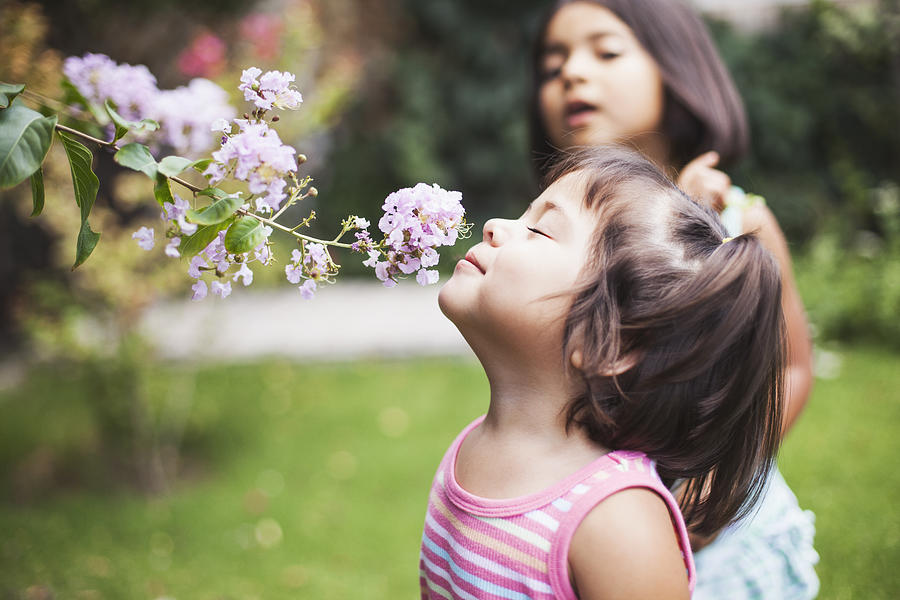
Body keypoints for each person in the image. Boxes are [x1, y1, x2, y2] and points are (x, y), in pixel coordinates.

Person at [528, 1, 818, 597]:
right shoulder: (563, 236)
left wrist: (713, 485)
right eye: (553, 63)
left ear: (677, 70)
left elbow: (790, 366)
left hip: (713, 535)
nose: (572, 74)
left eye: (605, 52)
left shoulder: (736, 224)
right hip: (588, 525)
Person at [420, 146, 785, 599]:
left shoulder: (616, 521)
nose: (495, 226)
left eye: (539, 230)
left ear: (610, 342)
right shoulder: (470, 449)